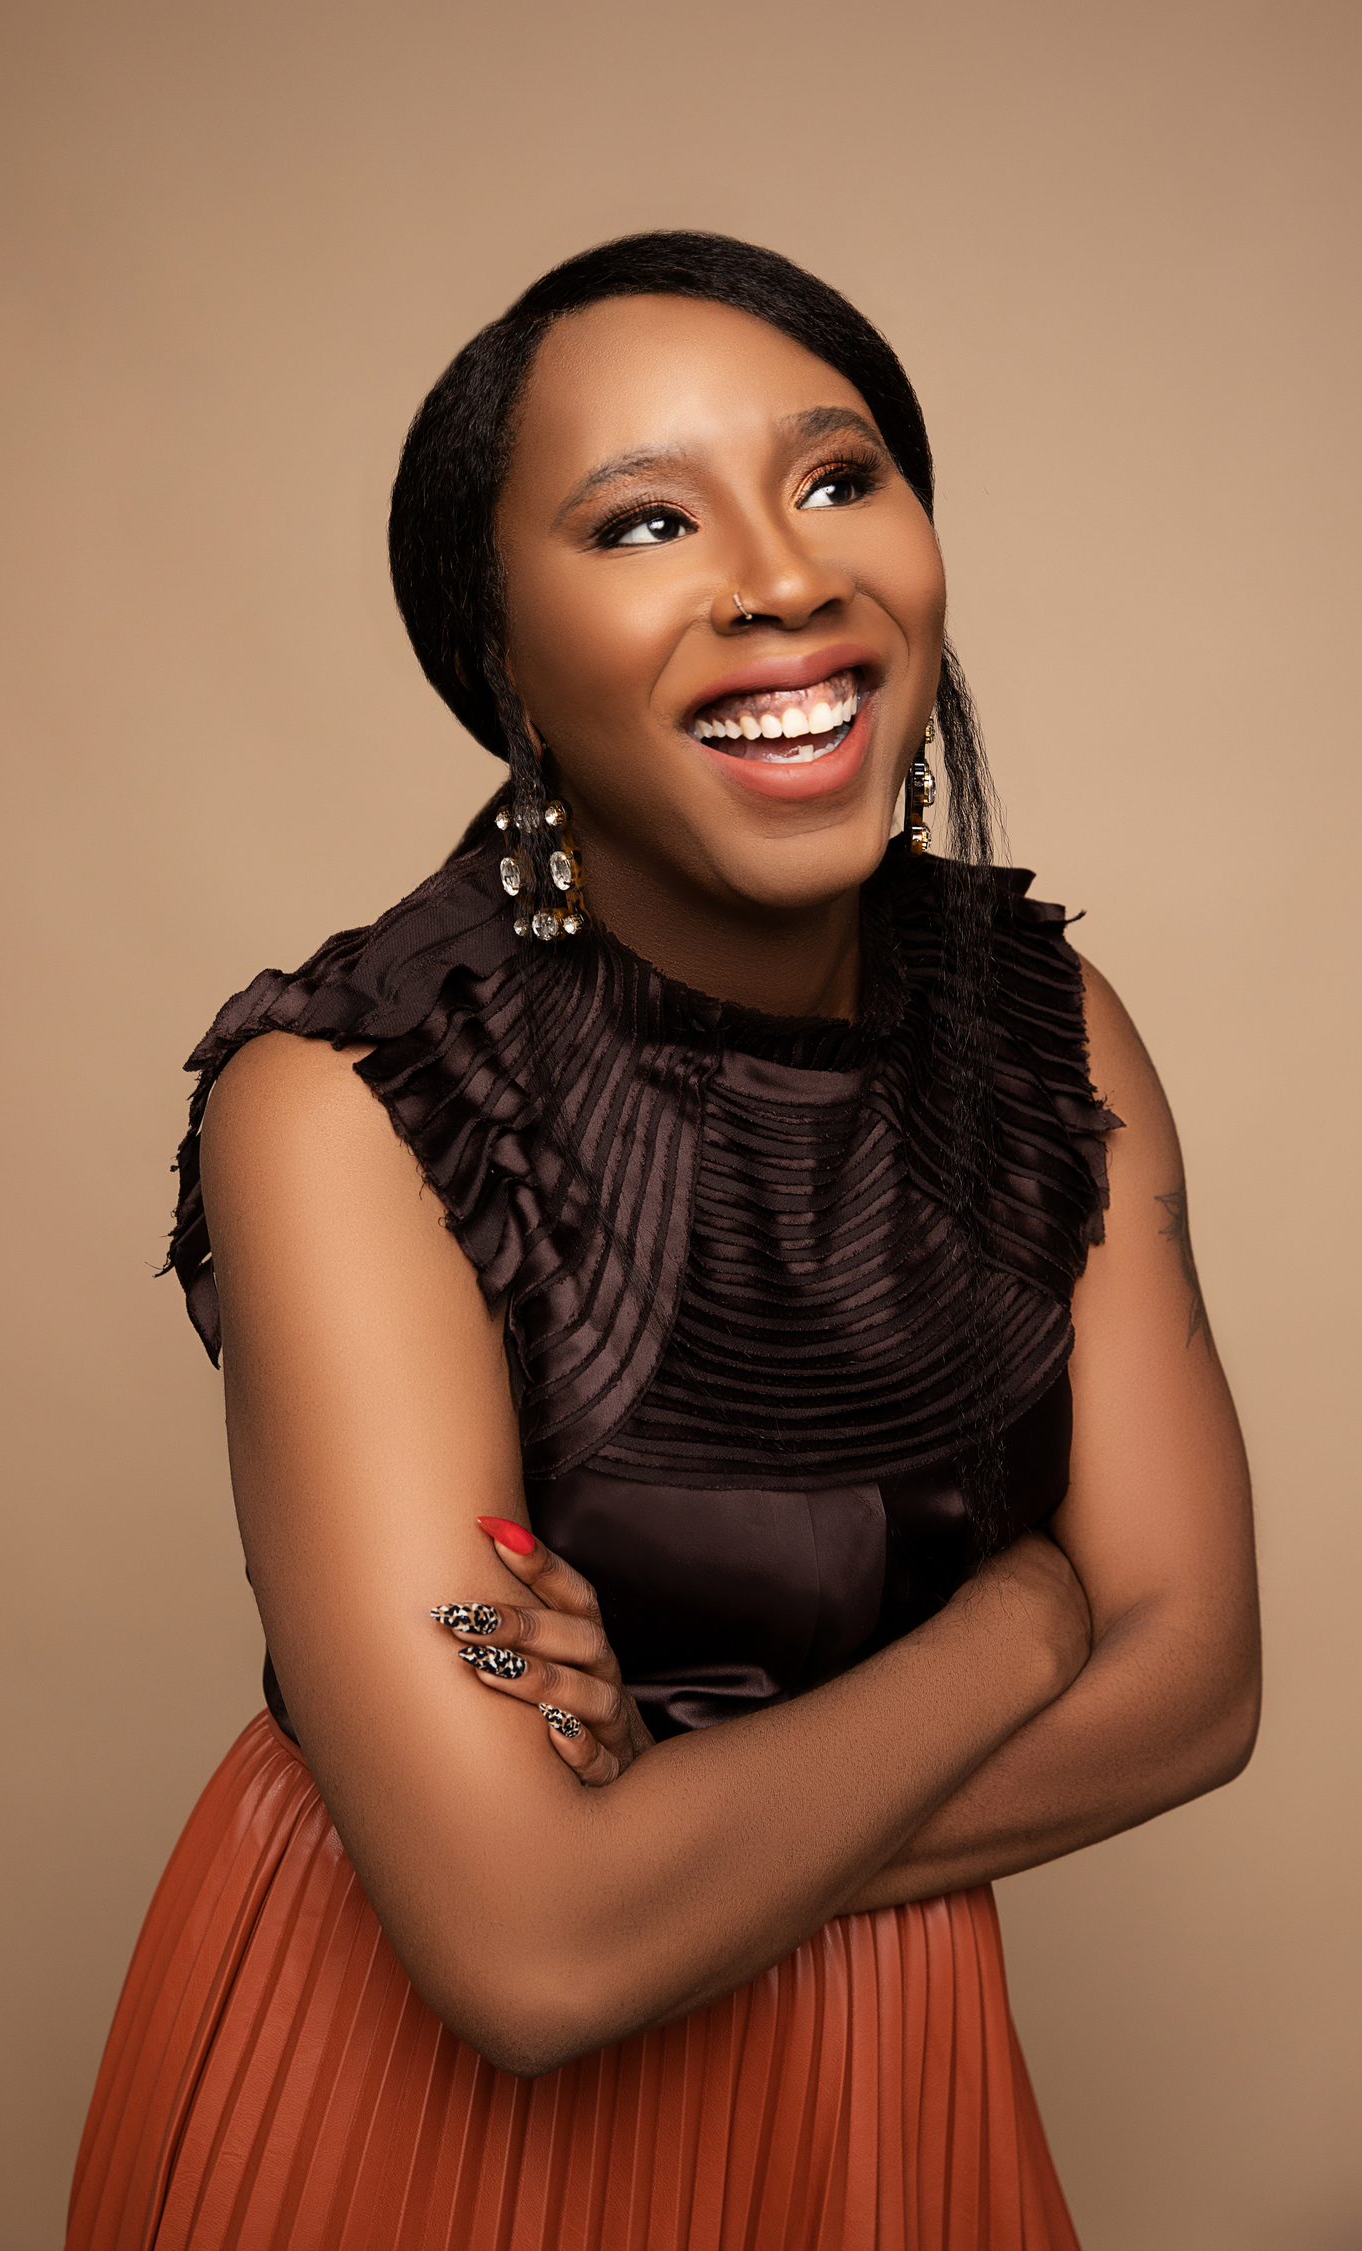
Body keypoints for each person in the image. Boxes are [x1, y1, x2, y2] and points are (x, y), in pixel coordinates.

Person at [67, 232, 1259, 2251]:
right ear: (500, 650)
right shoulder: (349, 1100)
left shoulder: (1043, 1022)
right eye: (641, 520)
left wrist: (668, 1844)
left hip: (887, 2070)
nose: (784, 576)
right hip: (398, 2101)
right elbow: (526, 1959)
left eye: (832, 477)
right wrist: (1027, 1615)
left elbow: (1202, 1684)